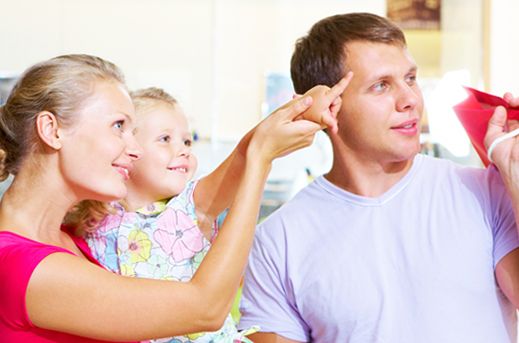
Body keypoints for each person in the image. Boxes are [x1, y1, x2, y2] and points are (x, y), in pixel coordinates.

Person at [239, 12, 519, 343]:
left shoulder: (484, 192)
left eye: (411, 78)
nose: (411, 99)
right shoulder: (277, 242)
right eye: (381, 85)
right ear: (327, 107)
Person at [0, 54, 347, 342]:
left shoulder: (66, 237)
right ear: (52, 130)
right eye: (118, 127)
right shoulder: (20, 269)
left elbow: (233, 167)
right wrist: (262, 161)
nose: (134, 149)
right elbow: (205, 309)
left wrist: (298, 112)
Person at [71, 82, 347, 343]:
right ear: (128, 148)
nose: (182, 150)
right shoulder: (94, 214)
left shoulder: (191, 206)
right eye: (165, 139)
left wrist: (301, 113)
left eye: (187, 142)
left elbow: (245, 152)